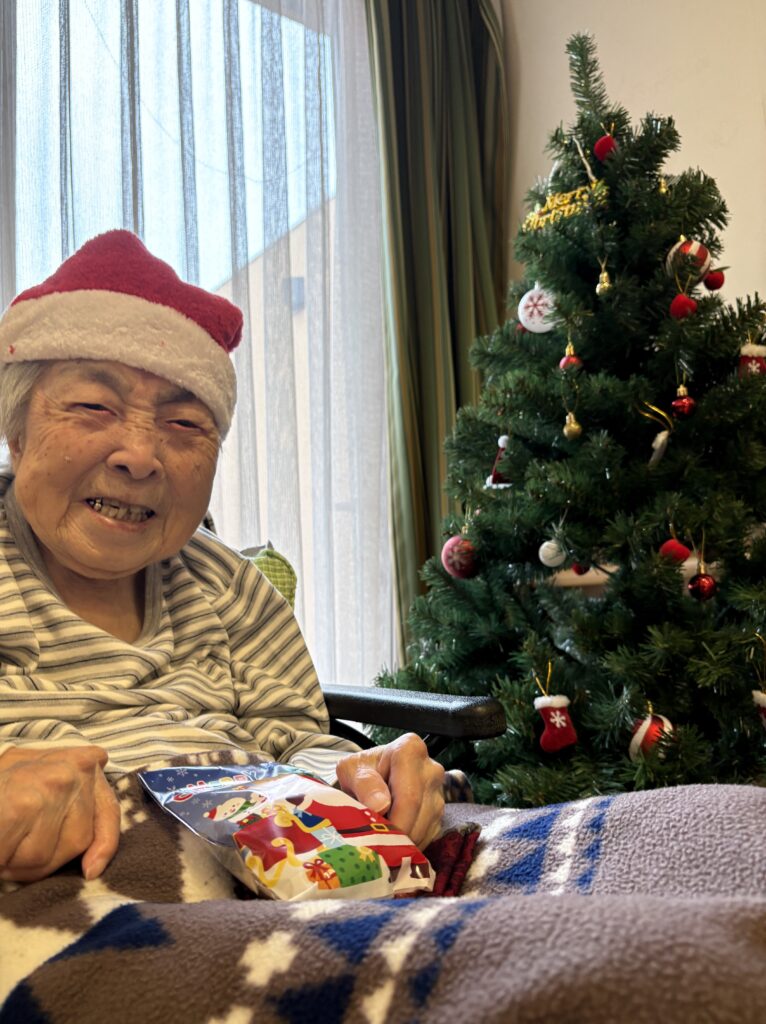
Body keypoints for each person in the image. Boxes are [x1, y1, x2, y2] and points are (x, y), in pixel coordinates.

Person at [0, 230, 444, 885]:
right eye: (93, 406)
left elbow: (298, 744)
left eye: (185, 424)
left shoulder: (228, 586)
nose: (139, 456)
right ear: (15, 431)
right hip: (79, 898)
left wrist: (362, 774)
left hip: (278, 877)